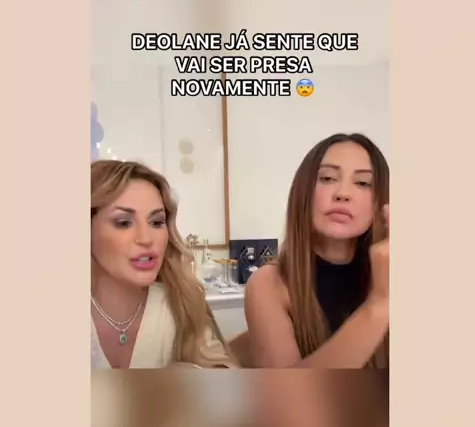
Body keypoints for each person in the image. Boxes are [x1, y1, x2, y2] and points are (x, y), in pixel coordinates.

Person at [244, 133, 390, 368]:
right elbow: (285, 389)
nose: (343, 193)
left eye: (363, 183)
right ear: (304, 192)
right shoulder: (268, 283)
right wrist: (379, 305)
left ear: (380, 202)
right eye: (327, 178)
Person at [91, 159, 233, 369]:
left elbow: (224, 371)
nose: (146, 239)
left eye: (156, 222)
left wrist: (193, 374)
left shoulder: (180, 304)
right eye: (123, 223)